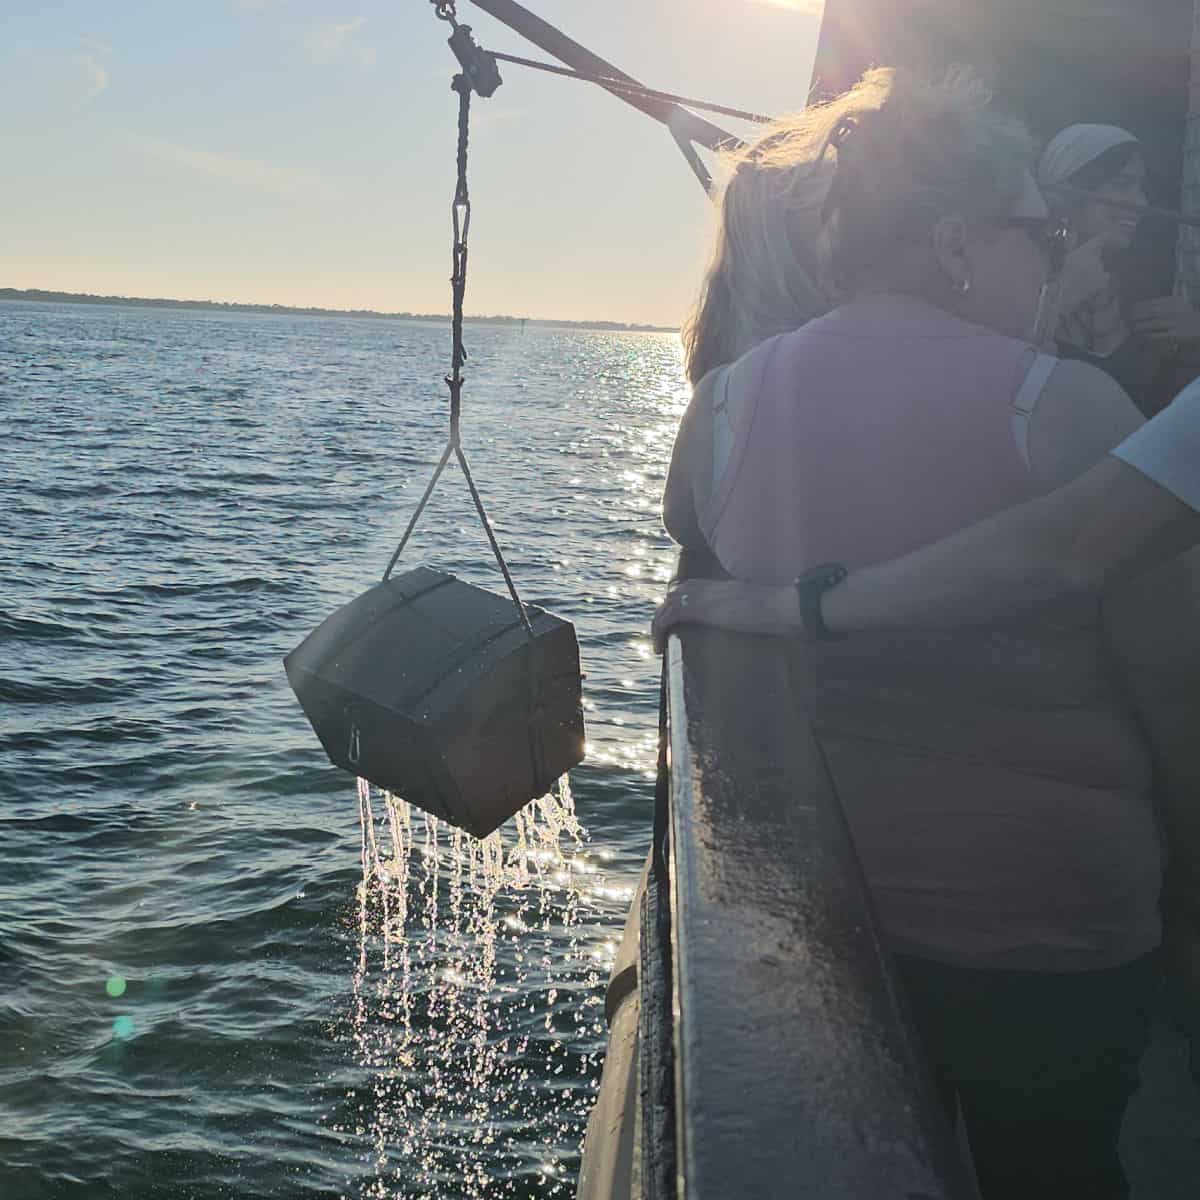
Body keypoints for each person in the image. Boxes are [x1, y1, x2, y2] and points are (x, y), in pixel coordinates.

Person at [659, 68, 1200, 1200]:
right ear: (958, 243)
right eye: (1040, 234)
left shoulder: (718, 411)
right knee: (1059, 1170)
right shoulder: (1068, 409)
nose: (1056, 261)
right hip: (1052, 932)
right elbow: (1179, 709)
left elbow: (704, 551)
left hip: (827, 923)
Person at [1038, 123, 1200, 415]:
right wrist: (1064, 297)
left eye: (1141, 188)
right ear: (1071, 190)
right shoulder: (1021, 276)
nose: (1141, 202)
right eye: (1122, 184)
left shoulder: (1145, 289)